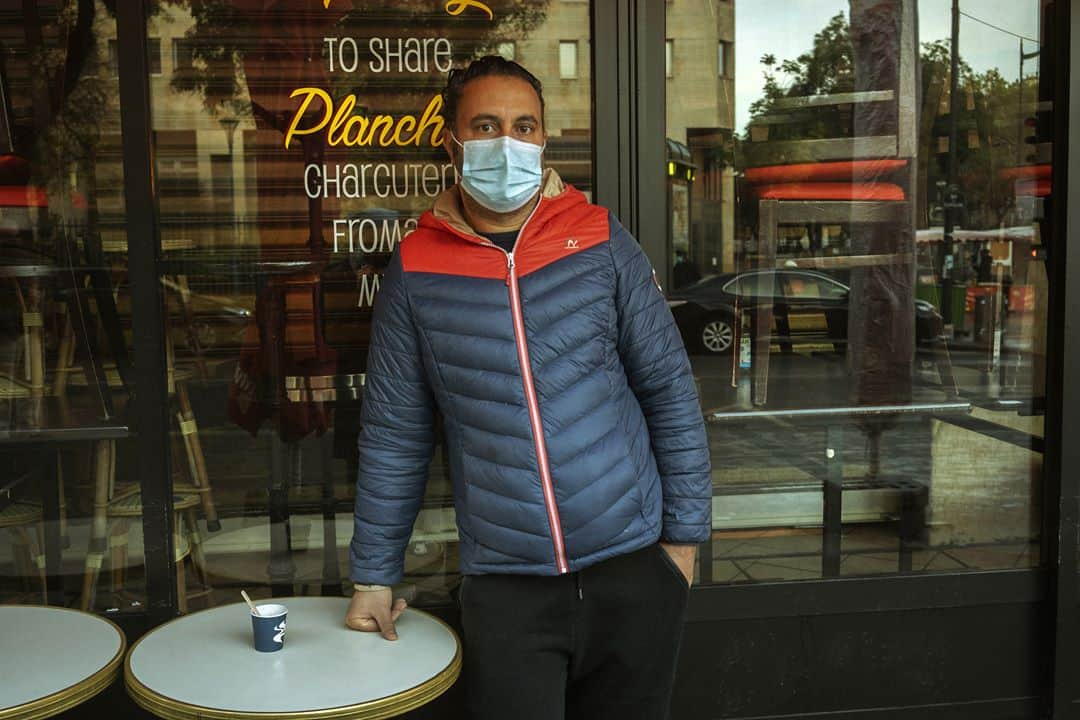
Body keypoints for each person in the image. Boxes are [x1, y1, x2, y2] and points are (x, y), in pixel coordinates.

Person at [345, 56, 712, 720]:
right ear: (453, 141)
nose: (506, 142)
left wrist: (681, 546)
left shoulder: (601, 241)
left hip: (632, 570)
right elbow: (395, 434)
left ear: (544, 139)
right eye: (485, 125)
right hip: (506, 589)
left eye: (524, 125)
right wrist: (374, 574)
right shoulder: (415, 269)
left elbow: (668, 388)